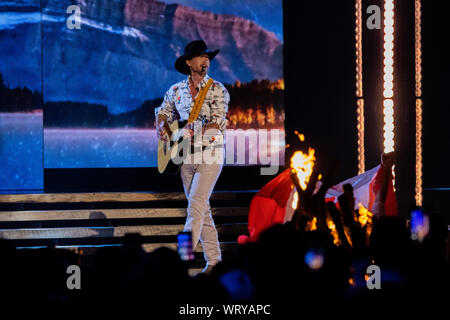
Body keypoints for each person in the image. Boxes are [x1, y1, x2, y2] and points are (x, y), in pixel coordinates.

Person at [155, 40, 230, 273]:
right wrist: (166, 130)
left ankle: (181, 259)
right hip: (185, 156)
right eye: (200, 56)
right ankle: (214, 262)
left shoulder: (218, 89)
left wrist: (193, 130)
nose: (206, 60)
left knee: (195, 207)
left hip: (210, 154)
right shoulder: (176, 90)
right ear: (189, 62)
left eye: (207, 57)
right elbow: (162, 113)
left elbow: (217, 121)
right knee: (202, 209)